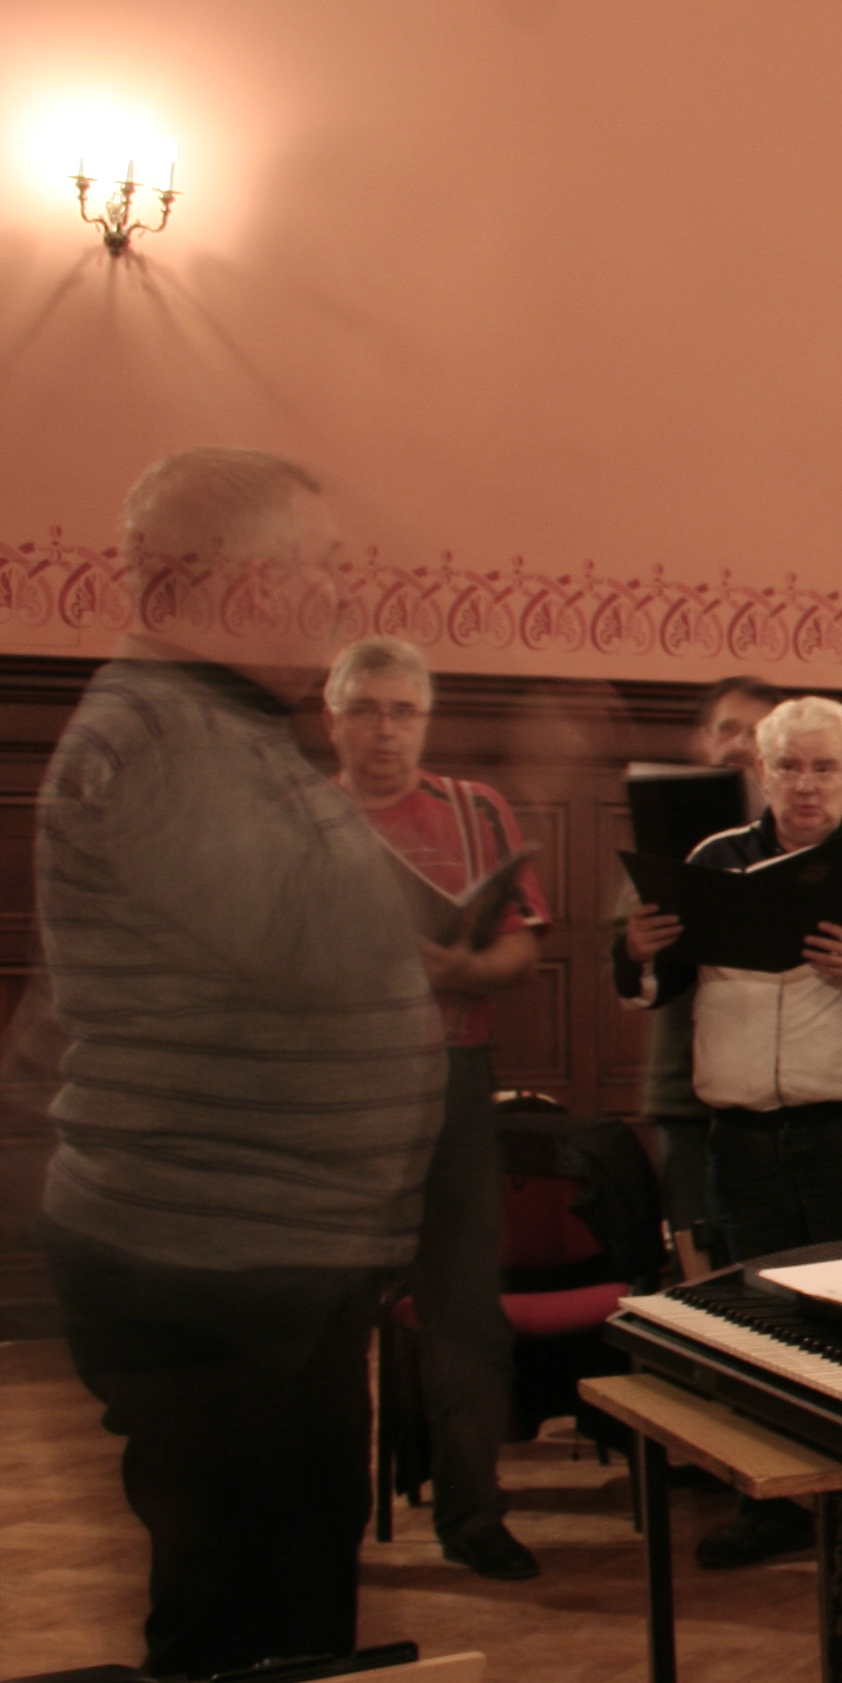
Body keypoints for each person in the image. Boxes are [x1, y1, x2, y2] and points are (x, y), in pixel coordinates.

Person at [38, 448, 445, 1680]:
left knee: (288, 1605)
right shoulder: (163, 735)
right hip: (208, 1258)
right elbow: (307, 943)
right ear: (254, 583)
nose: (342, 593)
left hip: (261, 1253)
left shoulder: (217, 726)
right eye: (324, 565)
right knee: (236, 1629)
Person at [624, 693, 842, 1570]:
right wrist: (639, 952)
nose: (806, 785)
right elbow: (662, 984)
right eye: (789, 767)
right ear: (762, 773)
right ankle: (773, 1503)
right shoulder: (714, 859)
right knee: (762, 1325)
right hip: (741, 1132)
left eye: (824, 768)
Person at [327, 634, 552, 1584]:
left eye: (404, 712)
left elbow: (523, 948)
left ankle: (473, 1514)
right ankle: (324, 1524)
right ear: (333, 719)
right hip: (332, 1088)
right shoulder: (300, 817)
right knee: (328, 1316)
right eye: (366, 711)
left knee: (465, 1313)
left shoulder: (474, 809)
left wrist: (465, 966)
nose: (386, 731)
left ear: (424, 719)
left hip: (451, 1076)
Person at [613, 677, 782, 1277]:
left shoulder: (803, 831)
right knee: (702, 1268)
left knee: (778, 1266)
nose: (738, 744)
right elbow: (631, 944)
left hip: (784, 1091)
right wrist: (637, 941)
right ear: (701, 742)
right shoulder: (669, 830)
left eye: (756, 733)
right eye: (726, 729)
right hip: (688, 1090)